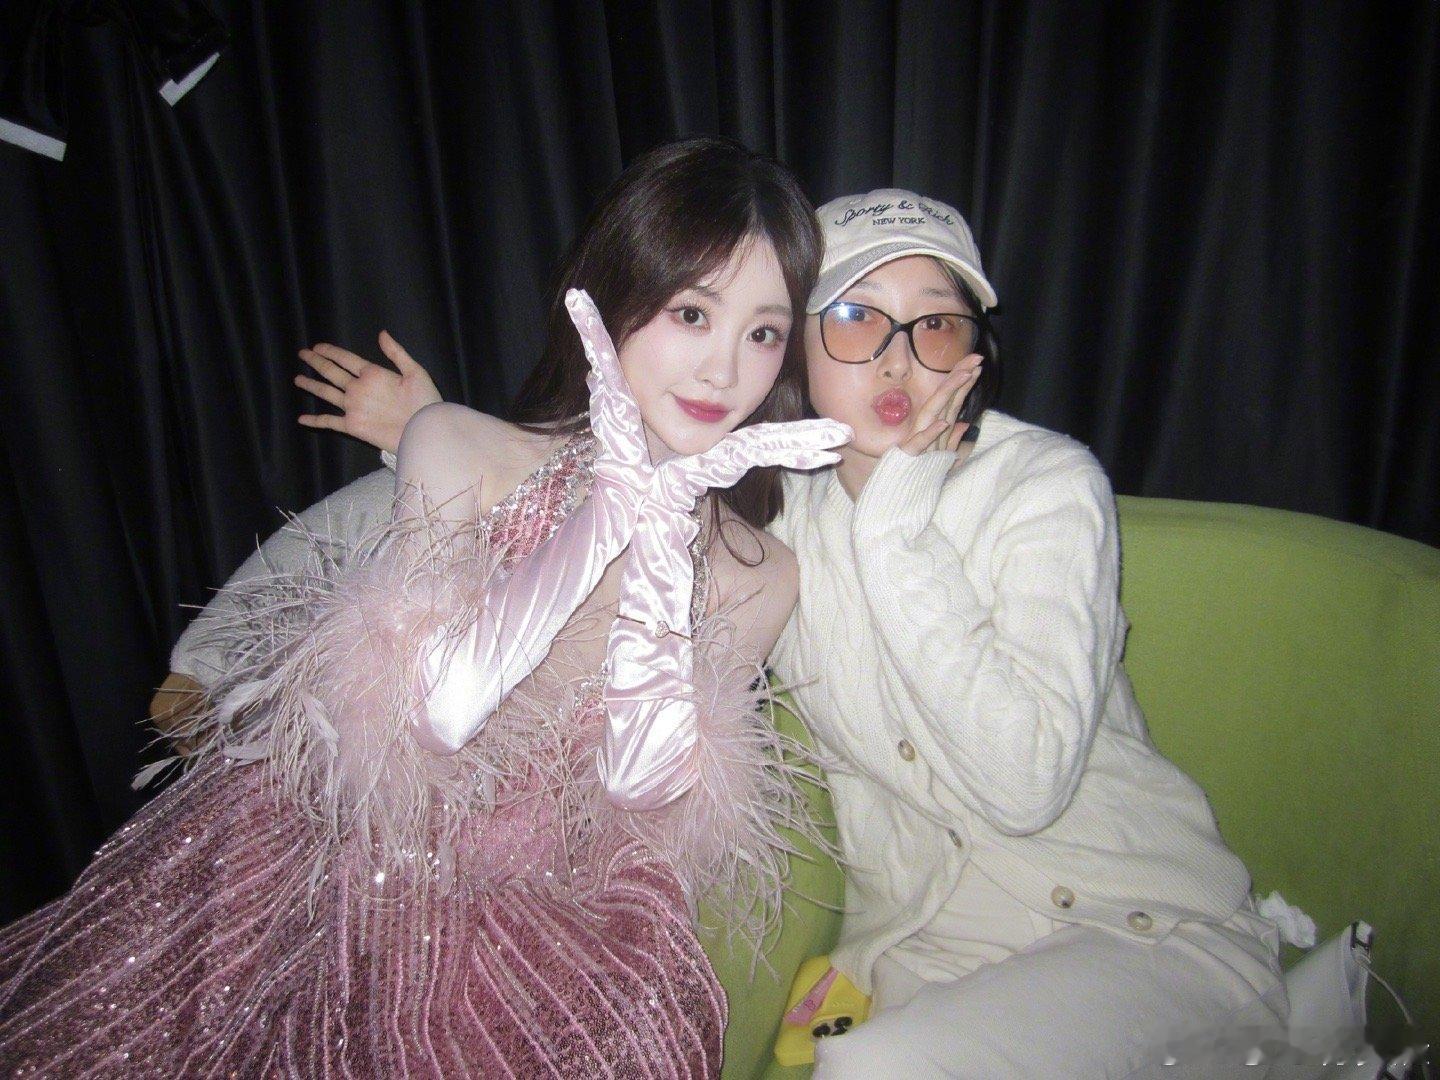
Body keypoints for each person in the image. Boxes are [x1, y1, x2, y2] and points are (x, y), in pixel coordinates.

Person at [286, 186, 1294, 1079]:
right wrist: (430, 432)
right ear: (798, 352)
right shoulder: (780, 523)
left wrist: (896, 524)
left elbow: (1024, 783)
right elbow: (604, 518)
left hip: (1139, 925)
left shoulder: (1042, 487)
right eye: (855, 317)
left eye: (936, 324)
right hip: (943, 962)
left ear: (973, 351)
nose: (898, 358)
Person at [0, 137, 848, 1079]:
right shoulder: (456, 443)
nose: (725, 370)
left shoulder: (761, 571)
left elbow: (645, 796)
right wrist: (605, 515)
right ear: (614, 299)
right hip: (352, 858)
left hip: (571, 915)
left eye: (763, 333)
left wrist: (661, 546)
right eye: (692, 312)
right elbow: (431, 722)